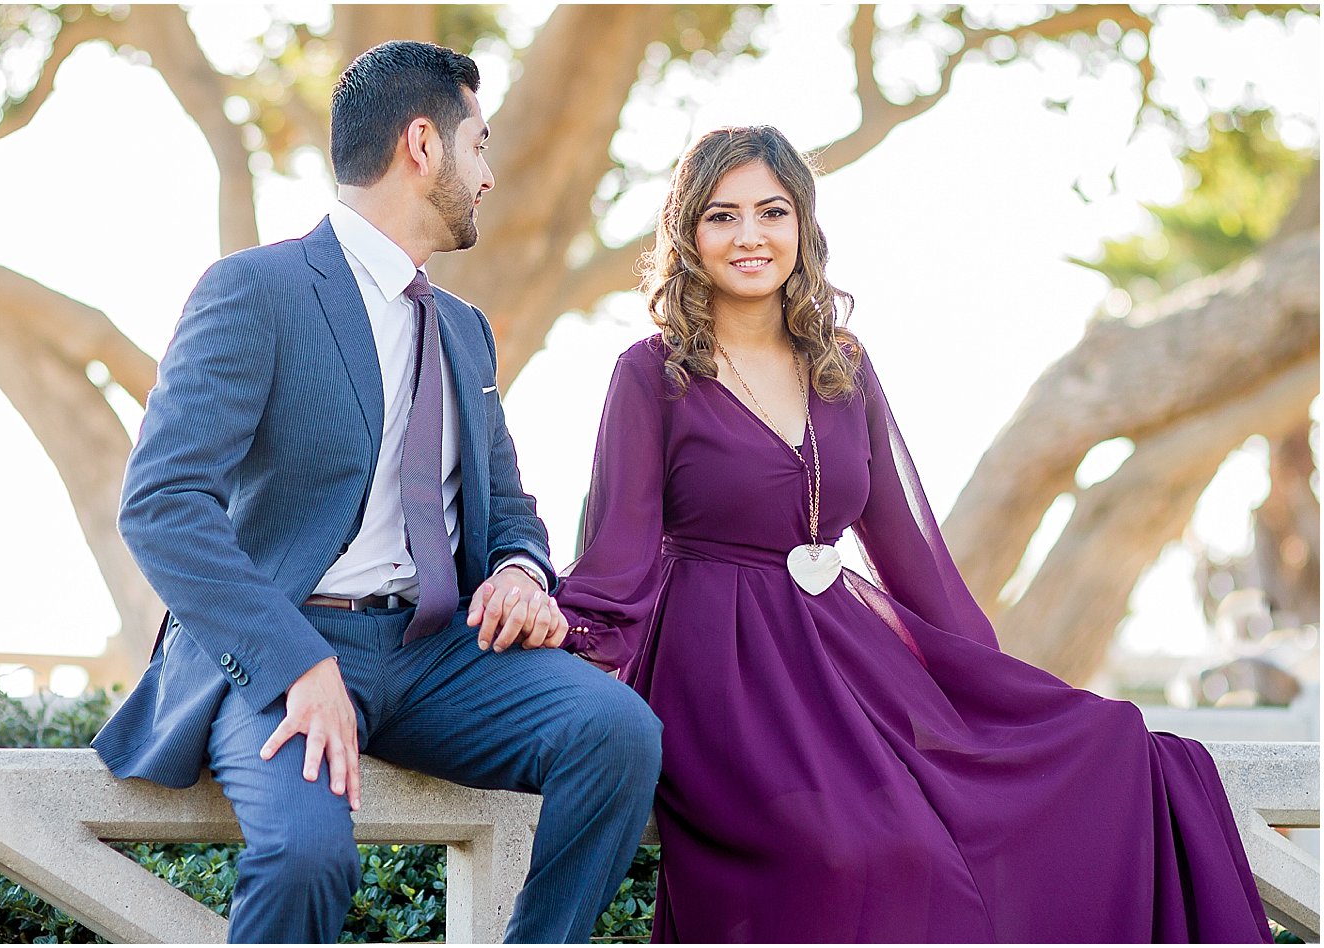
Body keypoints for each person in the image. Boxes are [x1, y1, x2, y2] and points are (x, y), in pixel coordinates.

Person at [555, 124, 1270, 942]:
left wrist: (1004, 700)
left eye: (772, 212)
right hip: (718, 664)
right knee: (851, 849)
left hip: (841, 656)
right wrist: (560, 660)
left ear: (804, 227)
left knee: (1047, 781)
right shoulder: (653, 374)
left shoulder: (843, 367)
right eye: (723, 216)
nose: (750, 236)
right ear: (688, 234)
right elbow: (618, 550)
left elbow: (913, 561)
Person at [92, 40, 662, 944]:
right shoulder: (255, 290)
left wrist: (519, 570)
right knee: (306, 858)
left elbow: (509, 509)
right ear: (423, 145)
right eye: (481, 144)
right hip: (290, 645)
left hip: (439, 656)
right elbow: (161, 504)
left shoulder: (466, 331)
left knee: (619, 734)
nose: (488, 172)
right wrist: (295, 663)